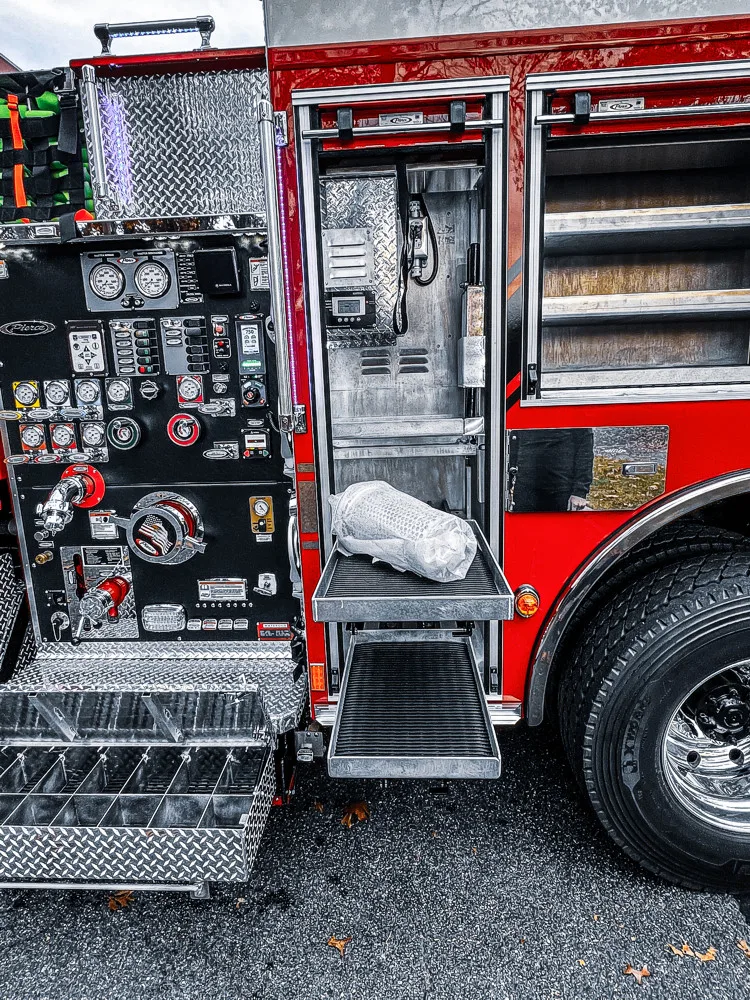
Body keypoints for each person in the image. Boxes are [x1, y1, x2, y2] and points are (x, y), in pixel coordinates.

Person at [509, 427, 594, 512]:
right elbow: (512, 444)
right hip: (525, 490)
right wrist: (506, 487)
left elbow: (585, 448)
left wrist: (580, 492)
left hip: (561, 491)